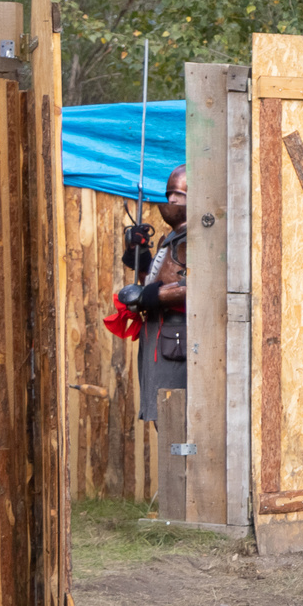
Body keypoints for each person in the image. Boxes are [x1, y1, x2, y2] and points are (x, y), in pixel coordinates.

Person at [116, 167, 190, 425]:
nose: (171, 201)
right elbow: (154, 280)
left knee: (176, 420)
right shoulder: (170, 238)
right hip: (158, 337)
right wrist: (139, 252)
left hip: (176, 338)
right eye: (170, 194)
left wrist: (153, 297)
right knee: (163, 416)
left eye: (179, 196)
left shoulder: (196, 237)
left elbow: (197, 286)